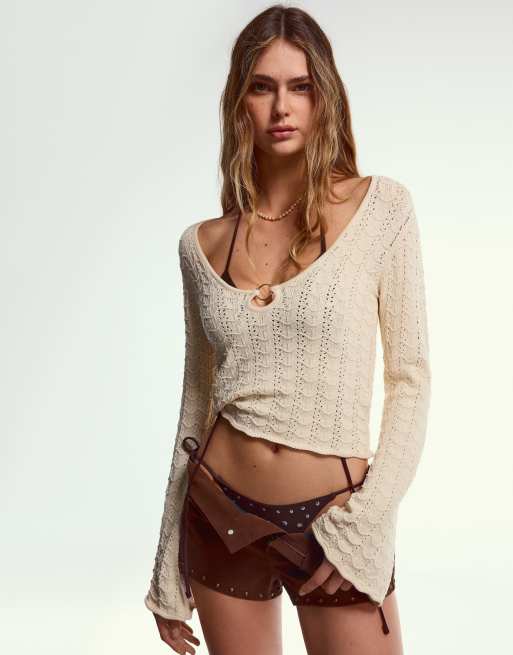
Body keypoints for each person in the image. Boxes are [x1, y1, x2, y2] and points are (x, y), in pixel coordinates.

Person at [144, 5, 431, 655]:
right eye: (262, 87)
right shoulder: (201, 245)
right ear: (238, 103)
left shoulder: (381, 208)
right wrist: (166, 559)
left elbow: (410, 380)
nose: (281, 107)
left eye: (300, 86)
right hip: (217, 511)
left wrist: (366, 524)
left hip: (334, 519)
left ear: (324, 97)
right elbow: (196, 402)